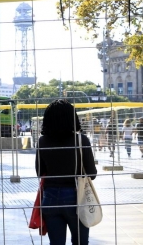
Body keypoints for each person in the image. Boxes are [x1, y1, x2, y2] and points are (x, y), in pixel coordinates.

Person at [36, 99, 97, 245]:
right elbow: (92, 173)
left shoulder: (43, 141)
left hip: (50, 197)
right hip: (76, 196)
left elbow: (40, 171)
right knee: (80, 242)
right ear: (72, 117)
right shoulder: (82, 140)